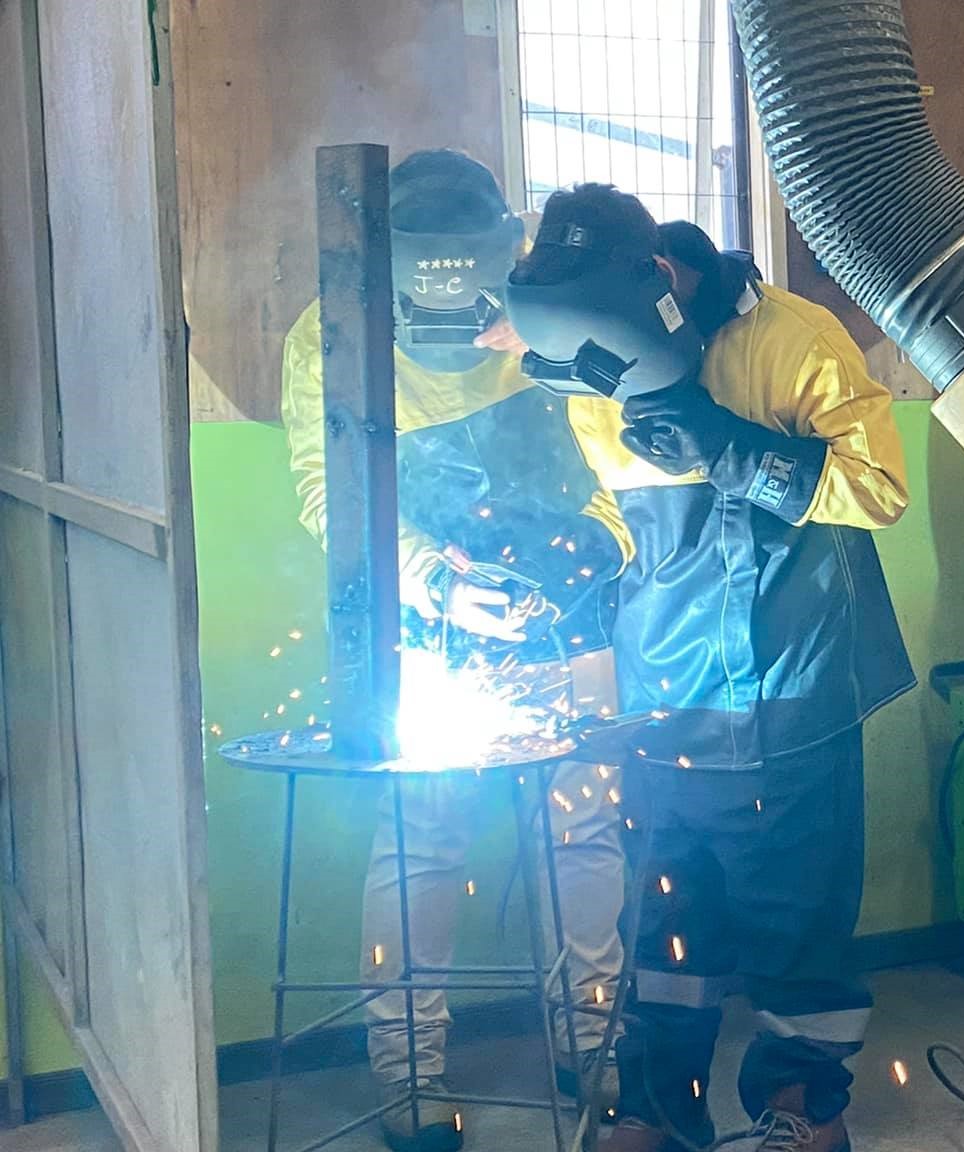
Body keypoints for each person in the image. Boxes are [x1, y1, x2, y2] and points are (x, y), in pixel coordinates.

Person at [494, 184, 912, 1152]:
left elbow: (880, 488)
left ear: (659, 288)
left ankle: (804, 1109)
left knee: (792, 922)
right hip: (665, 696)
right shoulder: (582, 357)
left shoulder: (791, 340)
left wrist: (732, 449)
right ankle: (654, 1106)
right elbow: (619, 520)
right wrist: (564, 563)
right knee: (667, 920)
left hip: (790, 687)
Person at [280, 150, 629, 1152]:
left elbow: (617, 456)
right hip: (424, 625)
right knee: (423, 843)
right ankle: (409, 1080)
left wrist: (594, 552)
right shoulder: (332, 331)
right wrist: (436, 580)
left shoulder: (549, 313)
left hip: (567, 611)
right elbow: (330, 494)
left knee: (585, 830)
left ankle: (593, 1045)